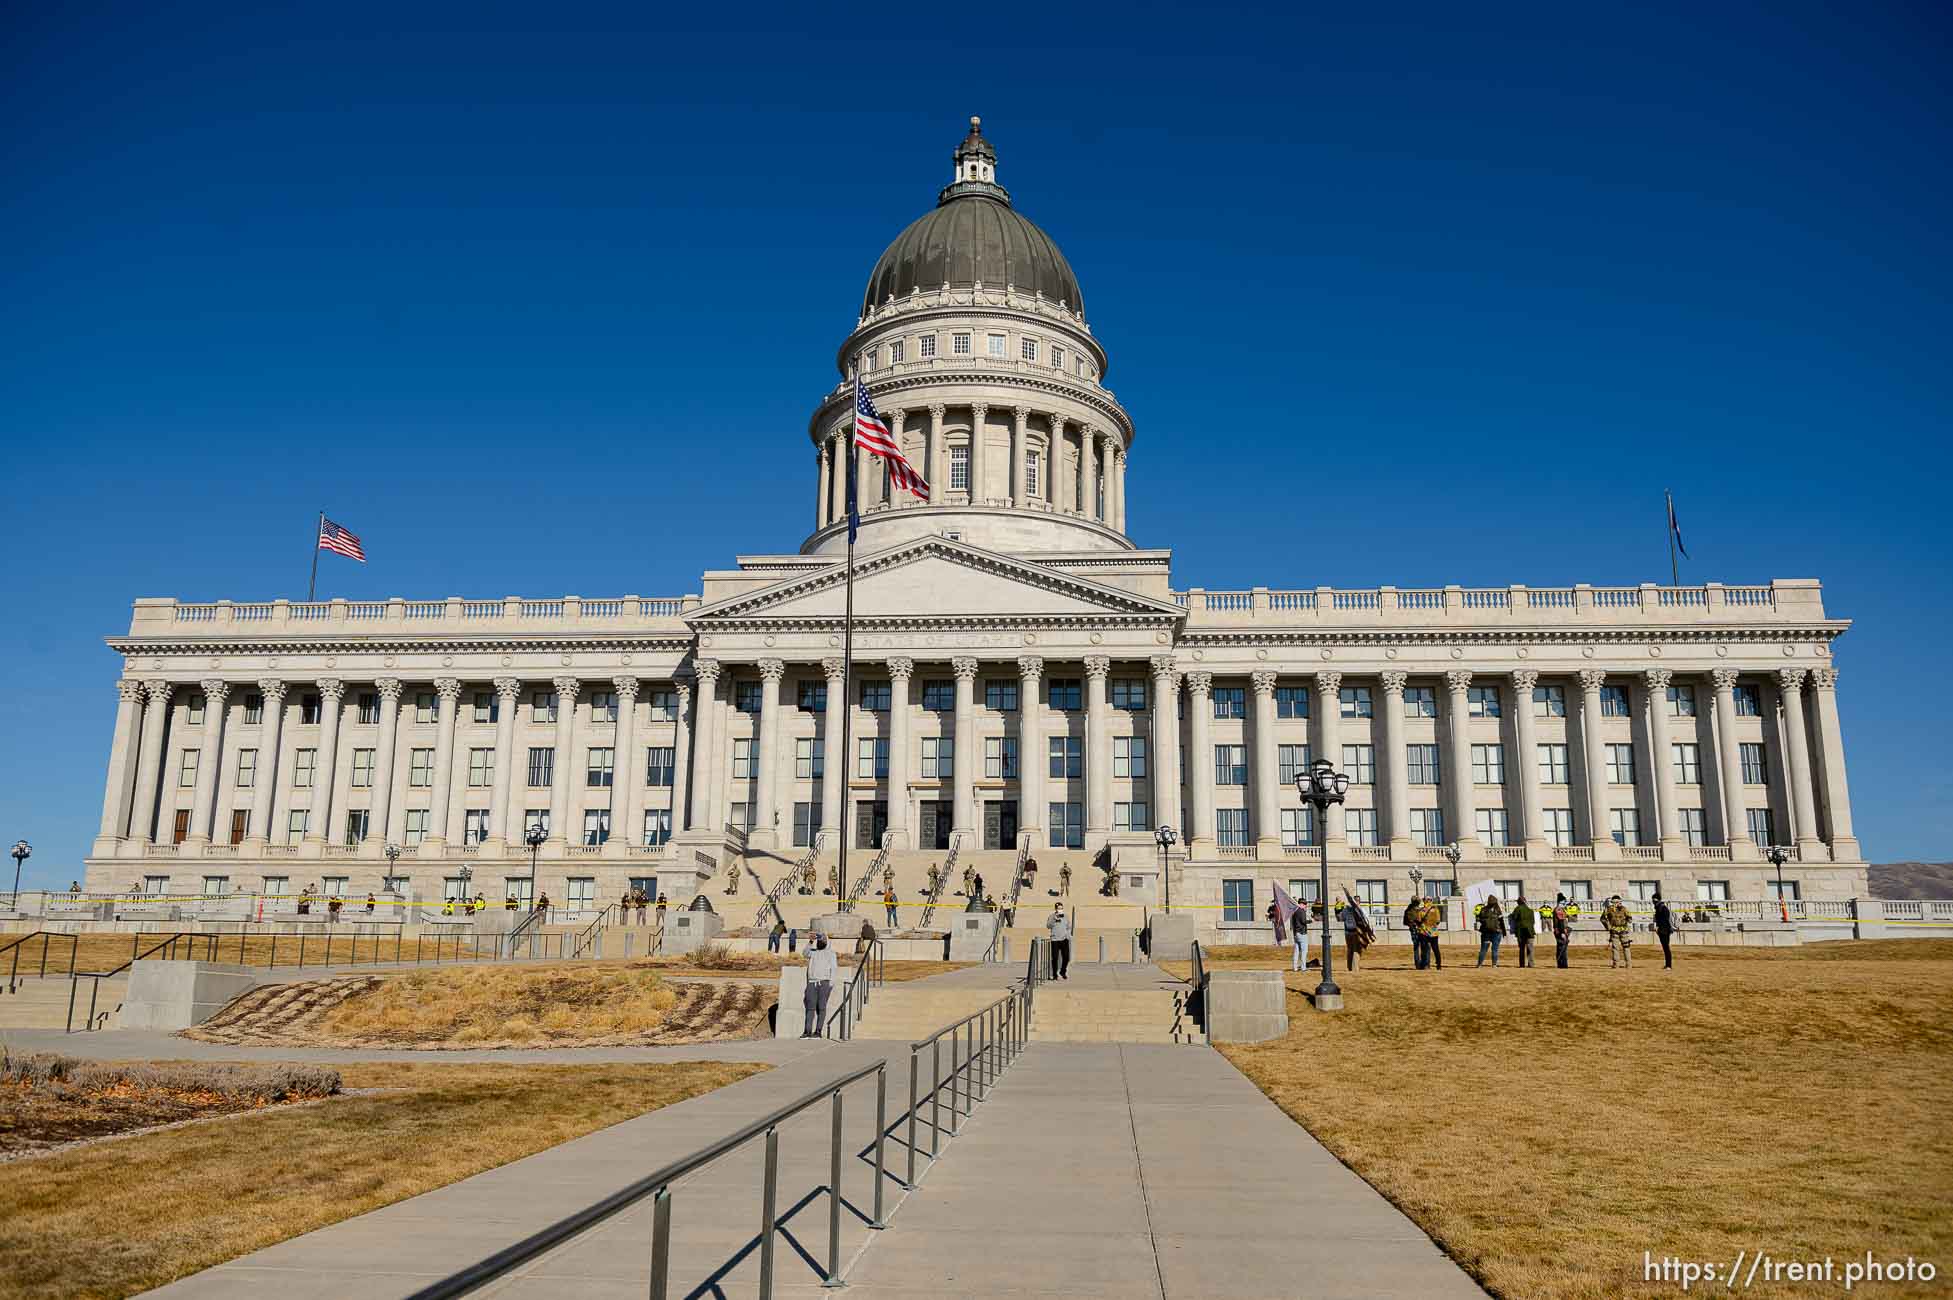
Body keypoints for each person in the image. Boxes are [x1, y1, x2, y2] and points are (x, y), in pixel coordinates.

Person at [802, 935, 837, 1037]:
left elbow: (833, 969)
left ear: (827, 942)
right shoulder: (813, 952)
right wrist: (811, 941)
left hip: (824, 982)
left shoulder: (831, 954)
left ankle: (818, 1031)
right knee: (810, 1008)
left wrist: (831, 984)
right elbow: (804, 953)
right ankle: (807, 1031)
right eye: (819, 940)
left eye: (823, 940)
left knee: (821, 1007)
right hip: (812, 982)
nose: (821, 942)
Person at [1602, 894, 1633, 968]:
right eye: (1614, 902)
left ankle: (1628, 964)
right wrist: (1608, 926)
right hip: (1614, 930)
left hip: (1624, 930)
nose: (1616, 904)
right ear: (1612, 902)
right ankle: (1616, 964)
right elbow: (1602, 918)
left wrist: (1628, 922)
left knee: (1626, 947)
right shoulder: (1608, 909)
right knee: (1615, 948)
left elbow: (1630, 918)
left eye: (1618, 902)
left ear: (1620, 902)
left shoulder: (1624, 909)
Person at [1475, 894, 1507, 967]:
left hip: (1485, 932)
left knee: (1483, 949)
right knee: (1495, 949)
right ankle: (1494, 964)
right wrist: (1504, 932)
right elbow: (1501, 922)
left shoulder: (1483, 909)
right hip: (1496, 932)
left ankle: (1479, 964)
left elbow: (1479, 919)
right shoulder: (1498, 910)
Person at [1415, 894, 1443, 970]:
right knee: (1436, 949)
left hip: (1424, 932)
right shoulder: (1436, 909)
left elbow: (1418, 921)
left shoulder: (1421, 910)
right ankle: (1439, 965)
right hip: (1434, 932)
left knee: (1424, 950)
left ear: (1424, 901)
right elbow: (1438, 921)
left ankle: (1424, 965)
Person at [1509, 892, 1536, 967]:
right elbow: (1533, 922)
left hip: (1521, 932)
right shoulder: (1530, 910)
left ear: (1518, 902)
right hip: (1530, 931)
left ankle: (1522, 964)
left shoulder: (1518, 908)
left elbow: (1514, 917)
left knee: (1521, 949)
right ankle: (1531, 964)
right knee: (1530, 948)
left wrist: (1510, 915)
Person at [1046, 904, 1072, 980]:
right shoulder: (1051, 916)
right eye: (1058, 908)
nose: (1060, 910)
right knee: (1054, 958)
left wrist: (1068, 935)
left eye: (1061, 908)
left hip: (1064, 939)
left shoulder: (1066, 916)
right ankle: (1054, 974)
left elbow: (1068, 927)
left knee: (1066, 957)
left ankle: (1063, 971)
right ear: (1055, 909)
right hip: (1055, 940)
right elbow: (1048, 926)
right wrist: (1054, 919)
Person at [1652, 891, 1676, 969]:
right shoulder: (1658, 908)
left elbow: (1666, 920)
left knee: (1666, 947)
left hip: (1665, 930)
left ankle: (1669, 965)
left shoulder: (1662, 908)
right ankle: (1667, 965)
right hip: (1662, 930)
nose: (1653, 902)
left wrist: (1660, 927)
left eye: (1654, 900)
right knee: (1665, 948)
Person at [1551, 893, 1573, 968]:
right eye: (1564, 903)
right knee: (1562, 948)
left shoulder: (1561, 909)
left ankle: (1561, 964)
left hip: (1561, 931)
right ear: (1559, 902)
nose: (1565, 904)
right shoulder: (1559, 910)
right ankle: (1562, 964)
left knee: (1562, 948)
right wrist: (1563, 933)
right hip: (1560, 931)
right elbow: (1560, 922)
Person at [1403, 895, 1425, 968]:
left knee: (1416, 946)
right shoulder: (1420, 910)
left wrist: (1410, 924)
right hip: (1420, 929)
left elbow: (1405, 922)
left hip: (1413, 929)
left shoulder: (1407, 910)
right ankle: (1422, 963)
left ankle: (1418, 963)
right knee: (1423, 946)